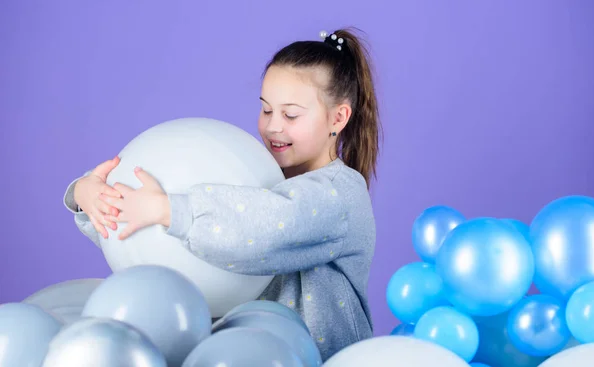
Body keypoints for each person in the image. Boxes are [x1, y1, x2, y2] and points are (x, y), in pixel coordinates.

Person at [63, 27, 382, 361]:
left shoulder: (341, 195)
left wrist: (167, 210)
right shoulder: (250, 178)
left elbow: (266, 228)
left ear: (338, 117)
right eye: (266, 109)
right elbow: (158, 247)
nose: (273, 126)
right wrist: (90, 197)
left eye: (290, 114)